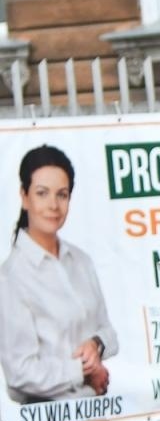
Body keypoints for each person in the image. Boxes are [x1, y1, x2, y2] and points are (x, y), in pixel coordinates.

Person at [0, 145, 117, 405]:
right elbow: (20, 372)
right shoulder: (11, 277)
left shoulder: (80, 261)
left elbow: (109, 332)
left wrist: (96, 344)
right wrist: (84, 370)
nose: (53, 205)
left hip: (95, 412)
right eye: (42, 193)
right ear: (24, 195)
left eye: (62, 194)